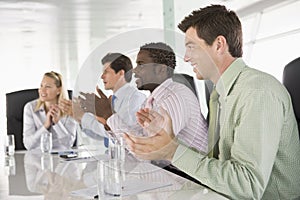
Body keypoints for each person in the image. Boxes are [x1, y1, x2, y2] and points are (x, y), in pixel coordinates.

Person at [124, 5, 300, 200]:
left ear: (218, 45)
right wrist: (171, 141)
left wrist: (172, 151)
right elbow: (216, 166)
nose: (187, 57)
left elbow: (248, 186)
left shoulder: (257, 92)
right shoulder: (219, 94)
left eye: (191, 47)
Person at [121, 42, 208, 156]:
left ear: (161, 70)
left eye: (141, 65)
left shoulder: (174, 97)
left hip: (189, 172)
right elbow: (138, 138)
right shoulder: (151, 100)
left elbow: (152, 152)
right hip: (173, 169)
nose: (134, 70)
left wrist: (109, 117)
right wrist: (107, 119)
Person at [68, 53, 146, 142]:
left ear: (121, 73)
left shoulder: (134, 98)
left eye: (106, 72)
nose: (102, 76)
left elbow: (122, 135)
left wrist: (83, 116)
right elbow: (105, 136)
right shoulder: (114, 99)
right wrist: (79, 117)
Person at [23, 71, 77, 150]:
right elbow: (28, 145)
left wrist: (57, 123)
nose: (42, 90)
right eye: (41, 86)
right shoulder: (30, 108)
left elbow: (69, 144)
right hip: (37, 158)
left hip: (61, 158)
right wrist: (45, 126)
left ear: (58, 90)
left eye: (47, 86)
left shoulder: (69, 108)